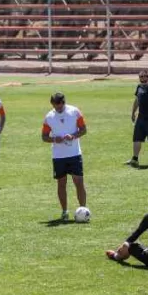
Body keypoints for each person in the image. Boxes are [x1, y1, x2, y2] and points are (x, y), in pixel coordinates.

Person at [41, 92, 87, 221]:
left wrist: (73, 136)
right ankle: (64, 211)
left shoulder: (75, 112)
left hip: (74, 154)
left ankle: (83, 210)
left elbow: (84, 129)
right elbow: (44, 137)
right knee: (61, 183)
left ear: (63, 102)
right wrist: (54, 139)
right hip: (58, 156)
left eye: (59, 105)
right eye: (55, 106)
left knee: (79, 182)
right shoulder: (49, 117)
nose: (57, 108)